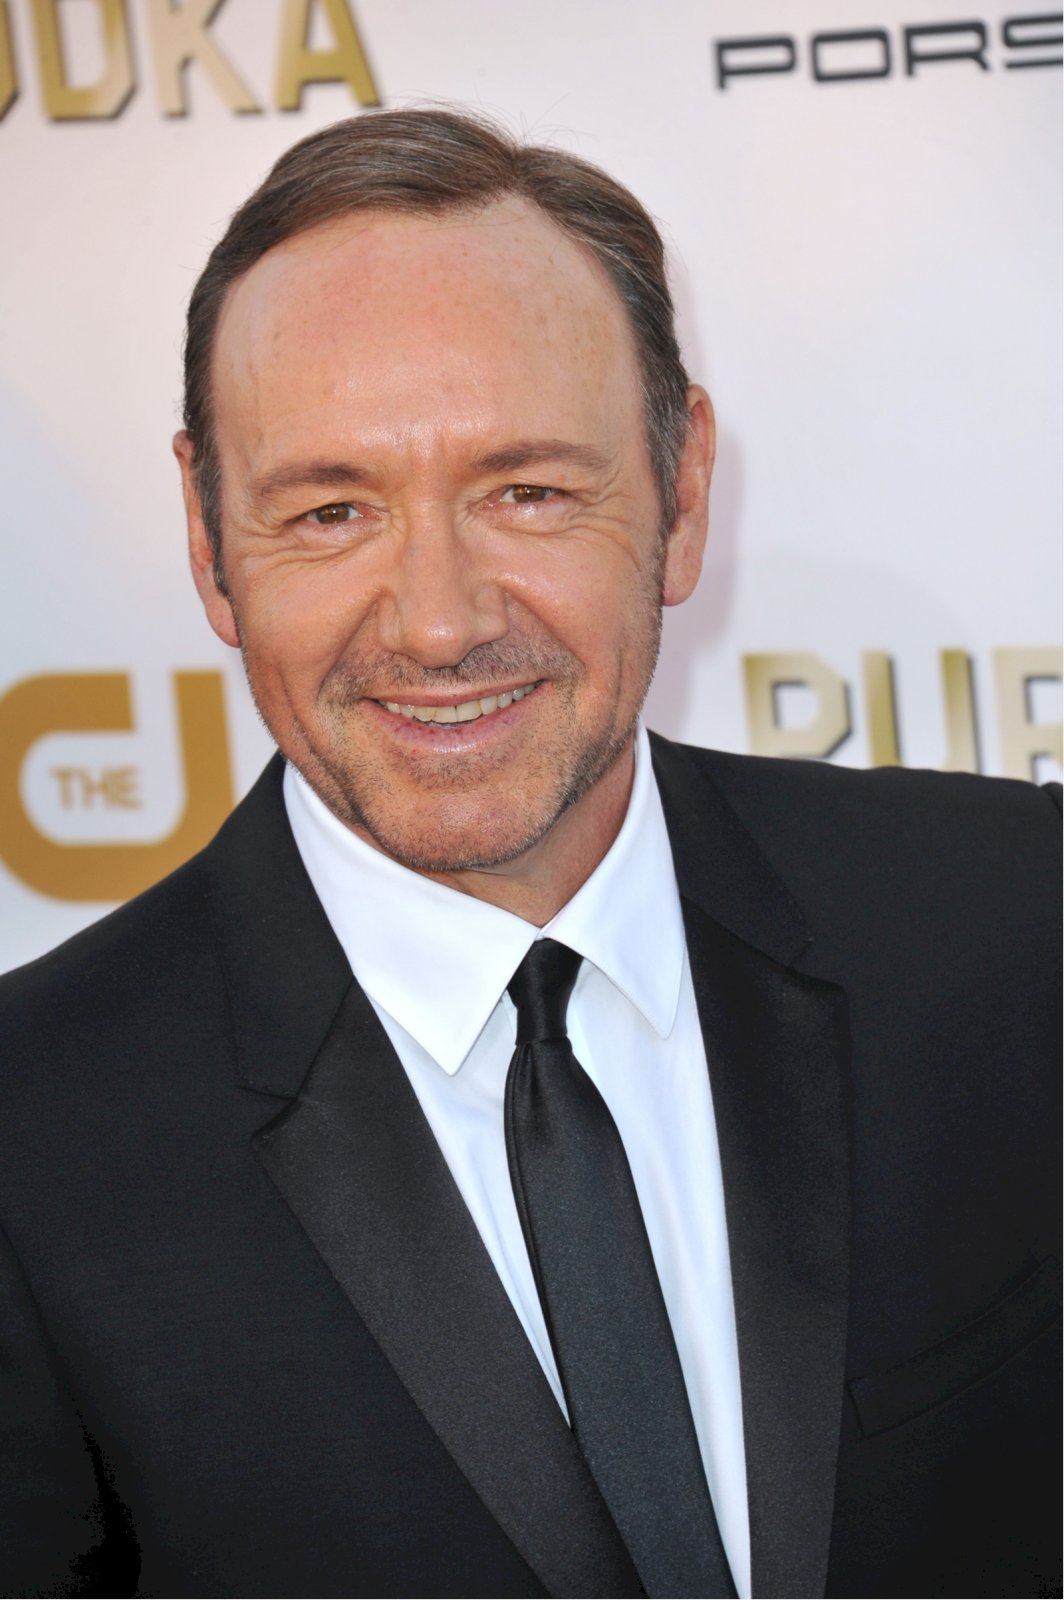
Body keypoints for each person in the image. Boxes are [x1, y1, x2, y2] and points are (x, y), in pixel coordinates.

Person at [0, 109, 1058, 1600]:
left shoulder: (1012, 925)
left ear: (683, 494)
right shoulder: (32, 1138)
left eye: (529, 492)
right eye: (331, 510)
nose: (439, 622)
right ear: (208, 536)